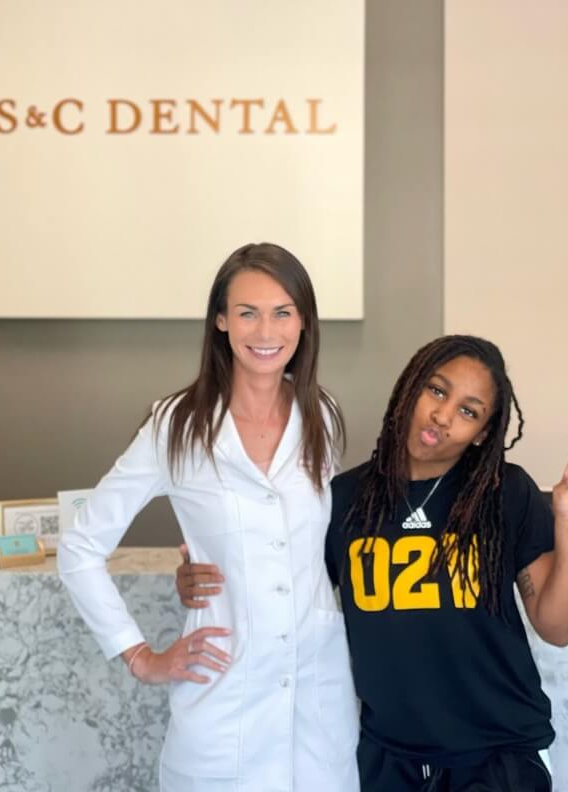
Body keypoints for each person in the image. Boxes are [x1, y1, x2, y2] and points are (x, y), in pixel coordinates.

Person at [177, 334, 568, 791]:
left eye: (468, 411)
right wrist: (200, 576)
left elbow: (557, 629)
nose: (442, 415)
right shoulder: (341, 500)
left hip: (498, 755)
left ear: (482, 433)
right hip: (386, 757)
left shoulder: (505, 493)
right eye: (437, 391)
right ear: (410, 388)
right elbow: (279, 597)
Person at [58, 242, 360, 792]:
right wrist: (141, 657)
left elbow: (314, 551)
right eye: (247, 312)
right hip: (223, 708)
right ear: (221, 320)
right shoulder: (176, 425)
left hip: (318, 710)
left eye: (283, 311)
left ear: (304, 322)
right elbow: (79, 547)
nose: (265, 330)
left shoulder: (324, 416)